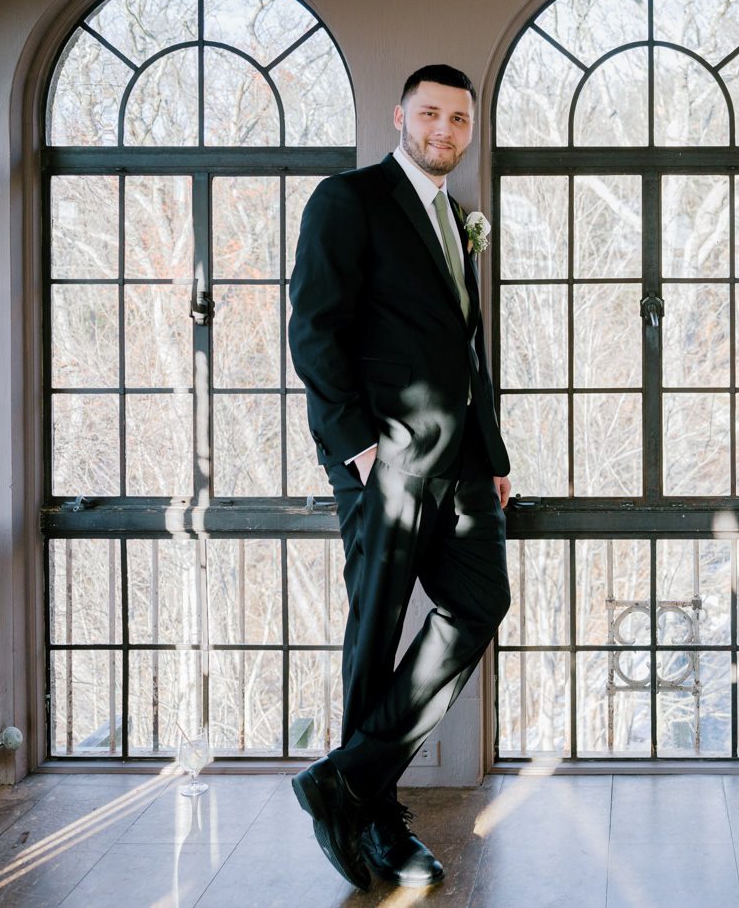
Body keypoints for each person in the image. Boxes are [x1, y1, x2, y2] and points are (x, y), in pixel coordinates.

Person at [287, 64, 512, 891]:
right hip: (384, 462)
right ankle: (370, 824)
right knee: (376, 634)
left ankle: (348, 780)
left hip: (462, 468)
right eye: (431, 114)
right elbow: (314, 328)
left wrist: (493, 457)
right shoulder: (347, 200)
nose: (445, 130)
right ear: (401, 116)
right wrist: (359, 448)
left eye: (459, 119)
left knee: (483, 599)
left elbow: (465, 351)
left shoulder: (457, 219)